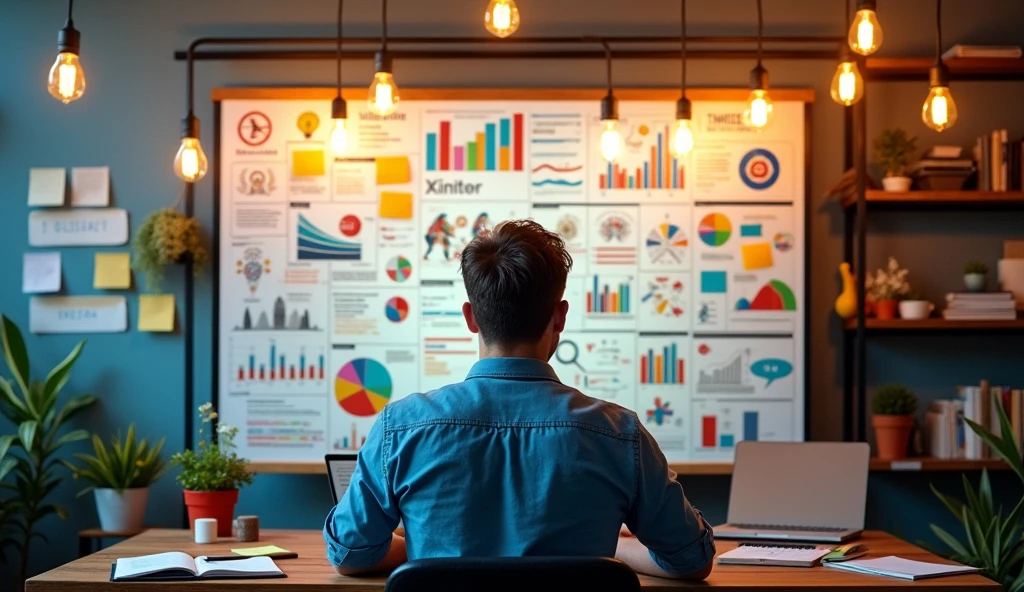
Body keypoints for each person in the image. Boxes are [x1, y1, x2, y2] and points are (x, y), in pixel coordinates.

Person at [323, 220, 714, 580]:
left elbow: (351, 553)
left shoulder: (403, 427)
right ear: (559, 318)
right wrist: (613, 548)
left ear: (471, 317)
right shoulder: (619, 434)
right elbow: (691, 560)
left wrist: (427, 550)